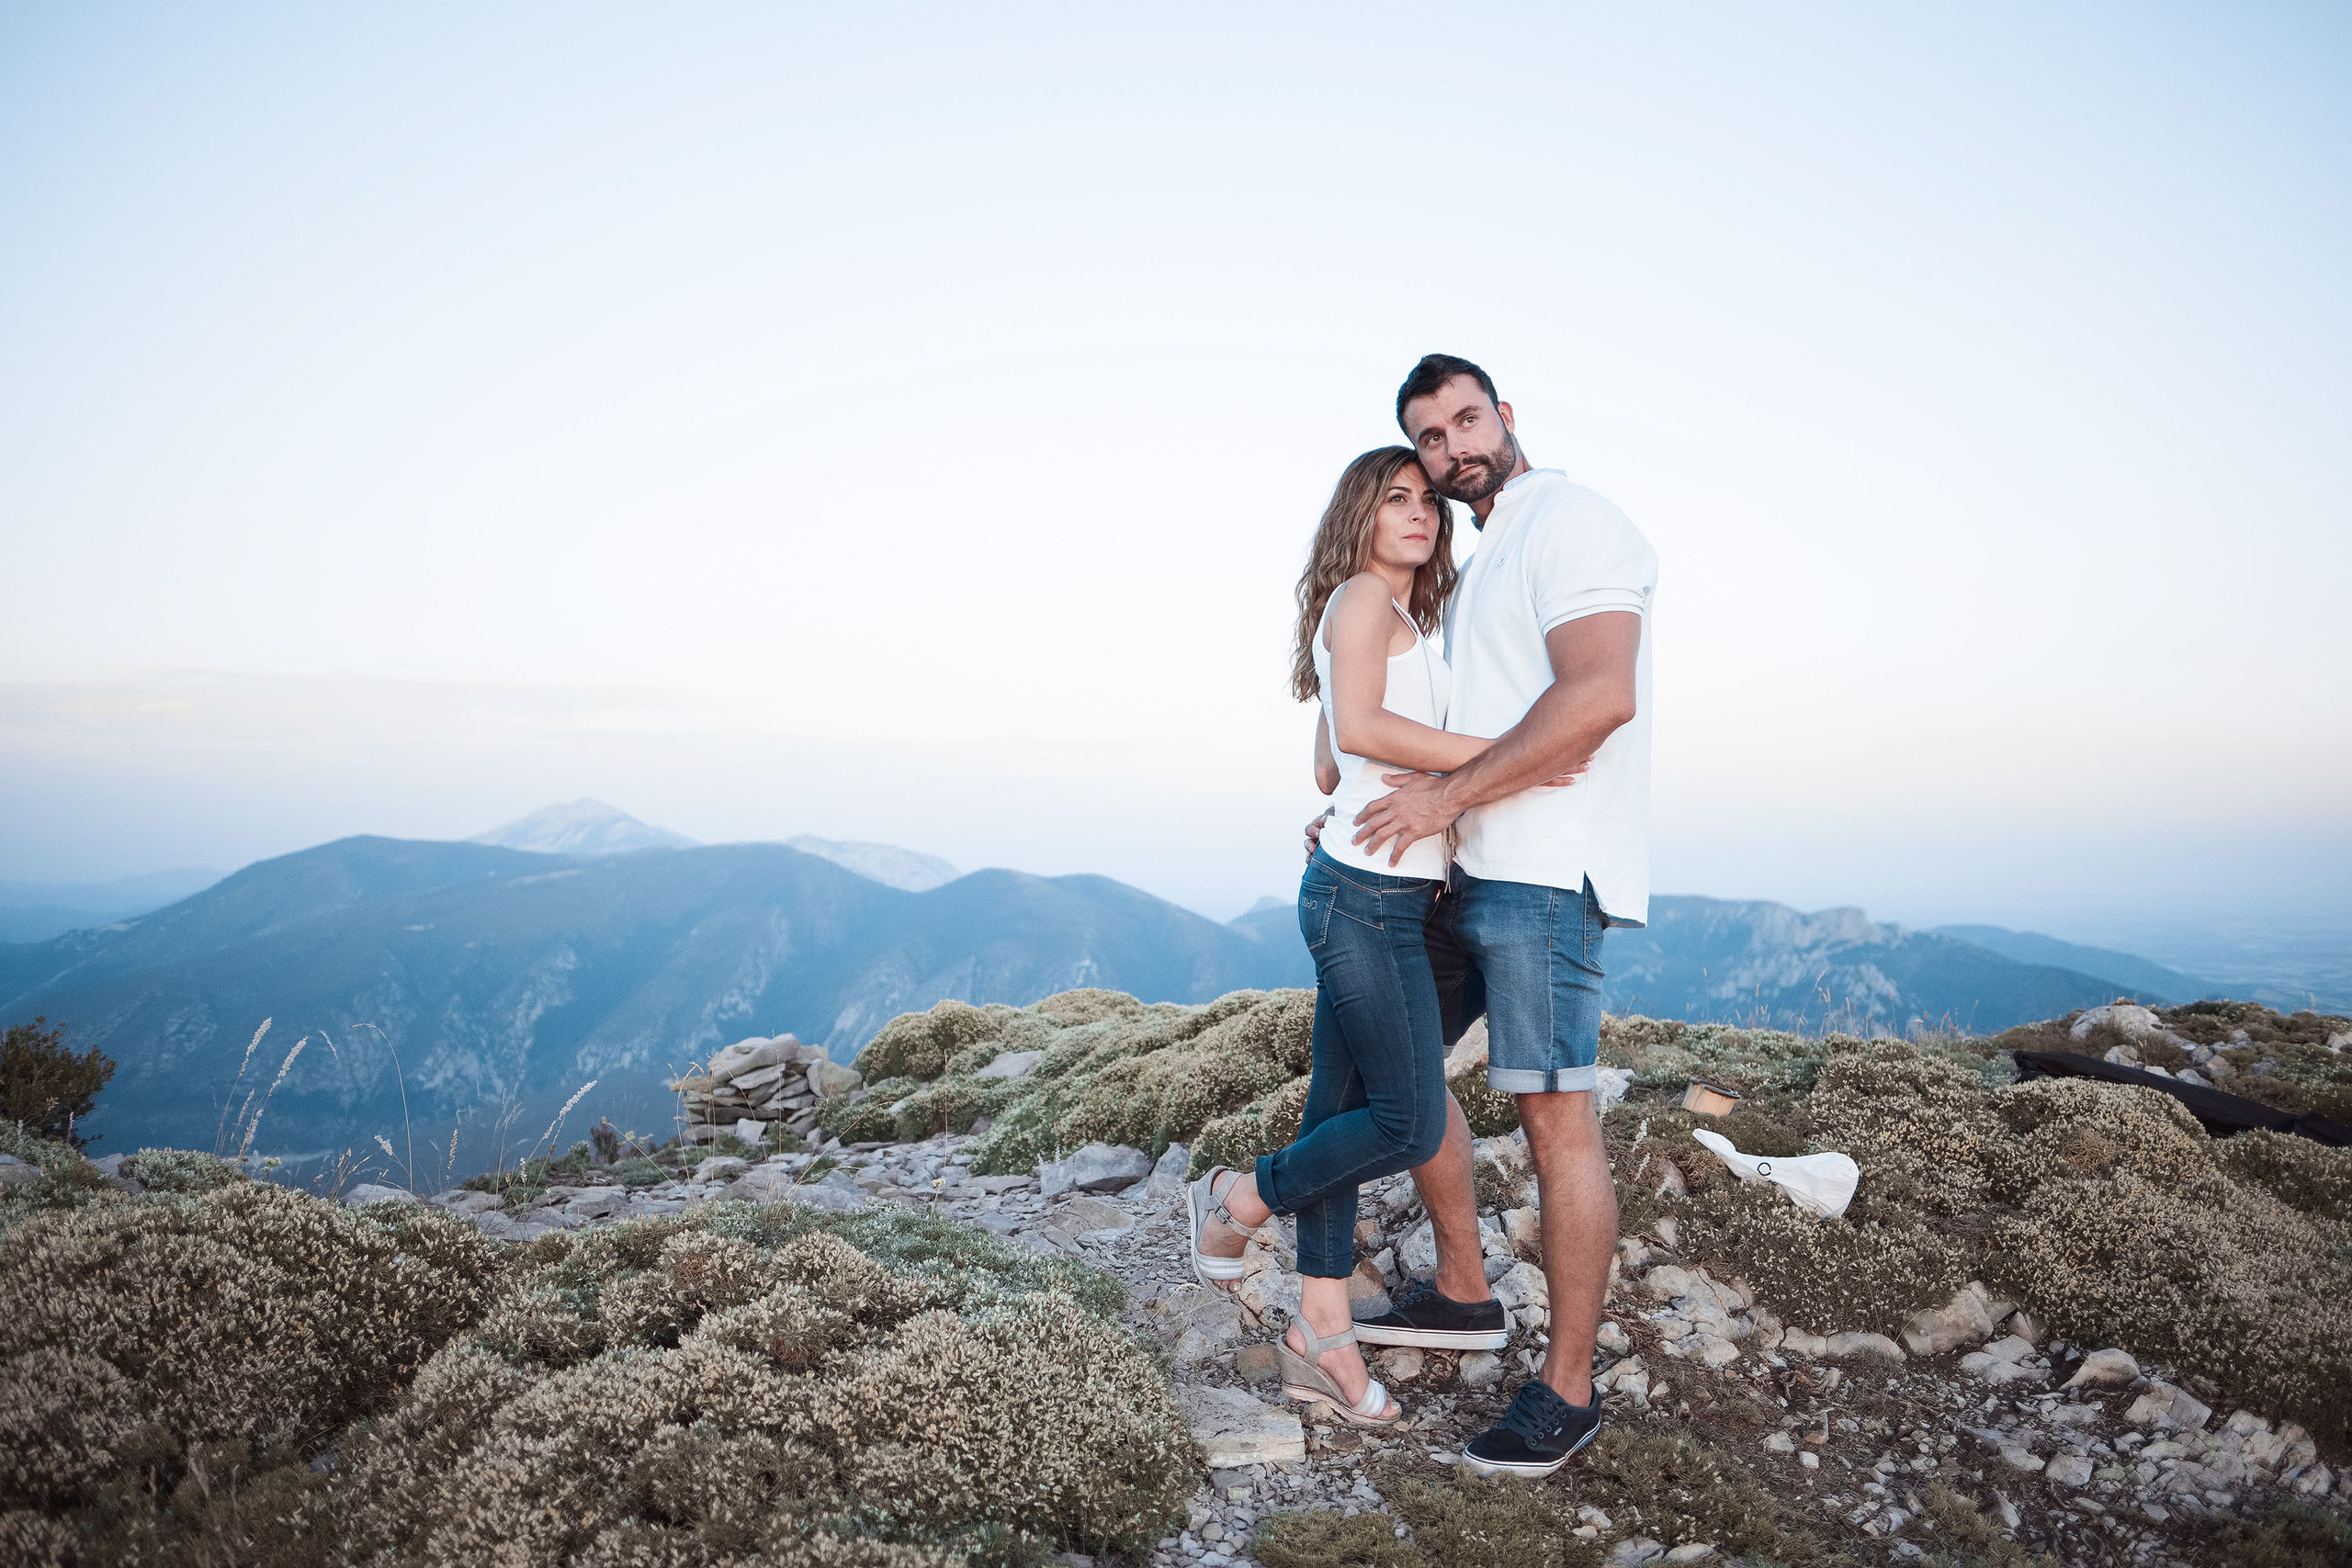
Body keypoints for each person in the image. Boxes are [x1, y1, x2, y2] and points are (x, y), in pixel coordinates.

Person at [1312, 354, 1658, 1479]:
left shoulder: (1574, 522)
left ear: (1506, 417)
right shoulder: (1466, 564)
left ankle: (1566, 1390)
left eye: (1468, 420)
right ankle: (1465, 1291)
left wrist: (1446, 794)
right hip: (1449, 869)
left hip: (1543, 878)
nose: (1453, 447)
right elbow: (1379, 721)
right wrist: (1376, 807)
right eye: (1429, 438)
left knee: (1553, 1117)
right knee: (1404, 1079)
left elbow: (1599, 694)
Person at [1186, 446, 1555, 1428]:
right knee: (1401, 1119)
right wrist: (1508, 756)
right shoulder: (1360, 600)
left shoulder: (1392, 619)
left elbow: (1331, 757)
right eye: (1396, 499)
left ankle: (1321, 1333)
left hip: (1382, 894)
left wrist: (1358, 776)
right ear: (1358, 514)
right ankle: (1236, 1198)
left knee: (1337, 1116)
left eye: (1427, 502)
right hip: (1361, 895)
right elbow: (1356, 724)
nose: (1419, 514)